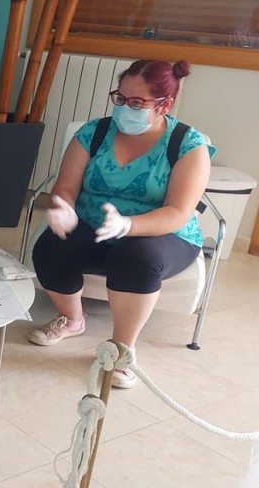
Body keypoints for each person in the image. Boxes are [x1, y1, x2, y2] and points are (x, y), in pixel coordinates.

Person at [28, 60, 215, 389]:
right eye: (120, 98)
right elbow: (66, 186)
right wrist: (64, 208)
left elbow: (177, 212)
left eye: (137, 102)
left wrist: (128, 225)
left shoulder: (188, 144)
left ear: (164, 105)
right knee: (51, 247)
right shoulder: (94, 133)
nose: (125, 108)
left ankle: (121, 349)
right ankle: (73, 319)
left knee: (137, 257)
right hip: (94, 222)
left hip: (162, 232)